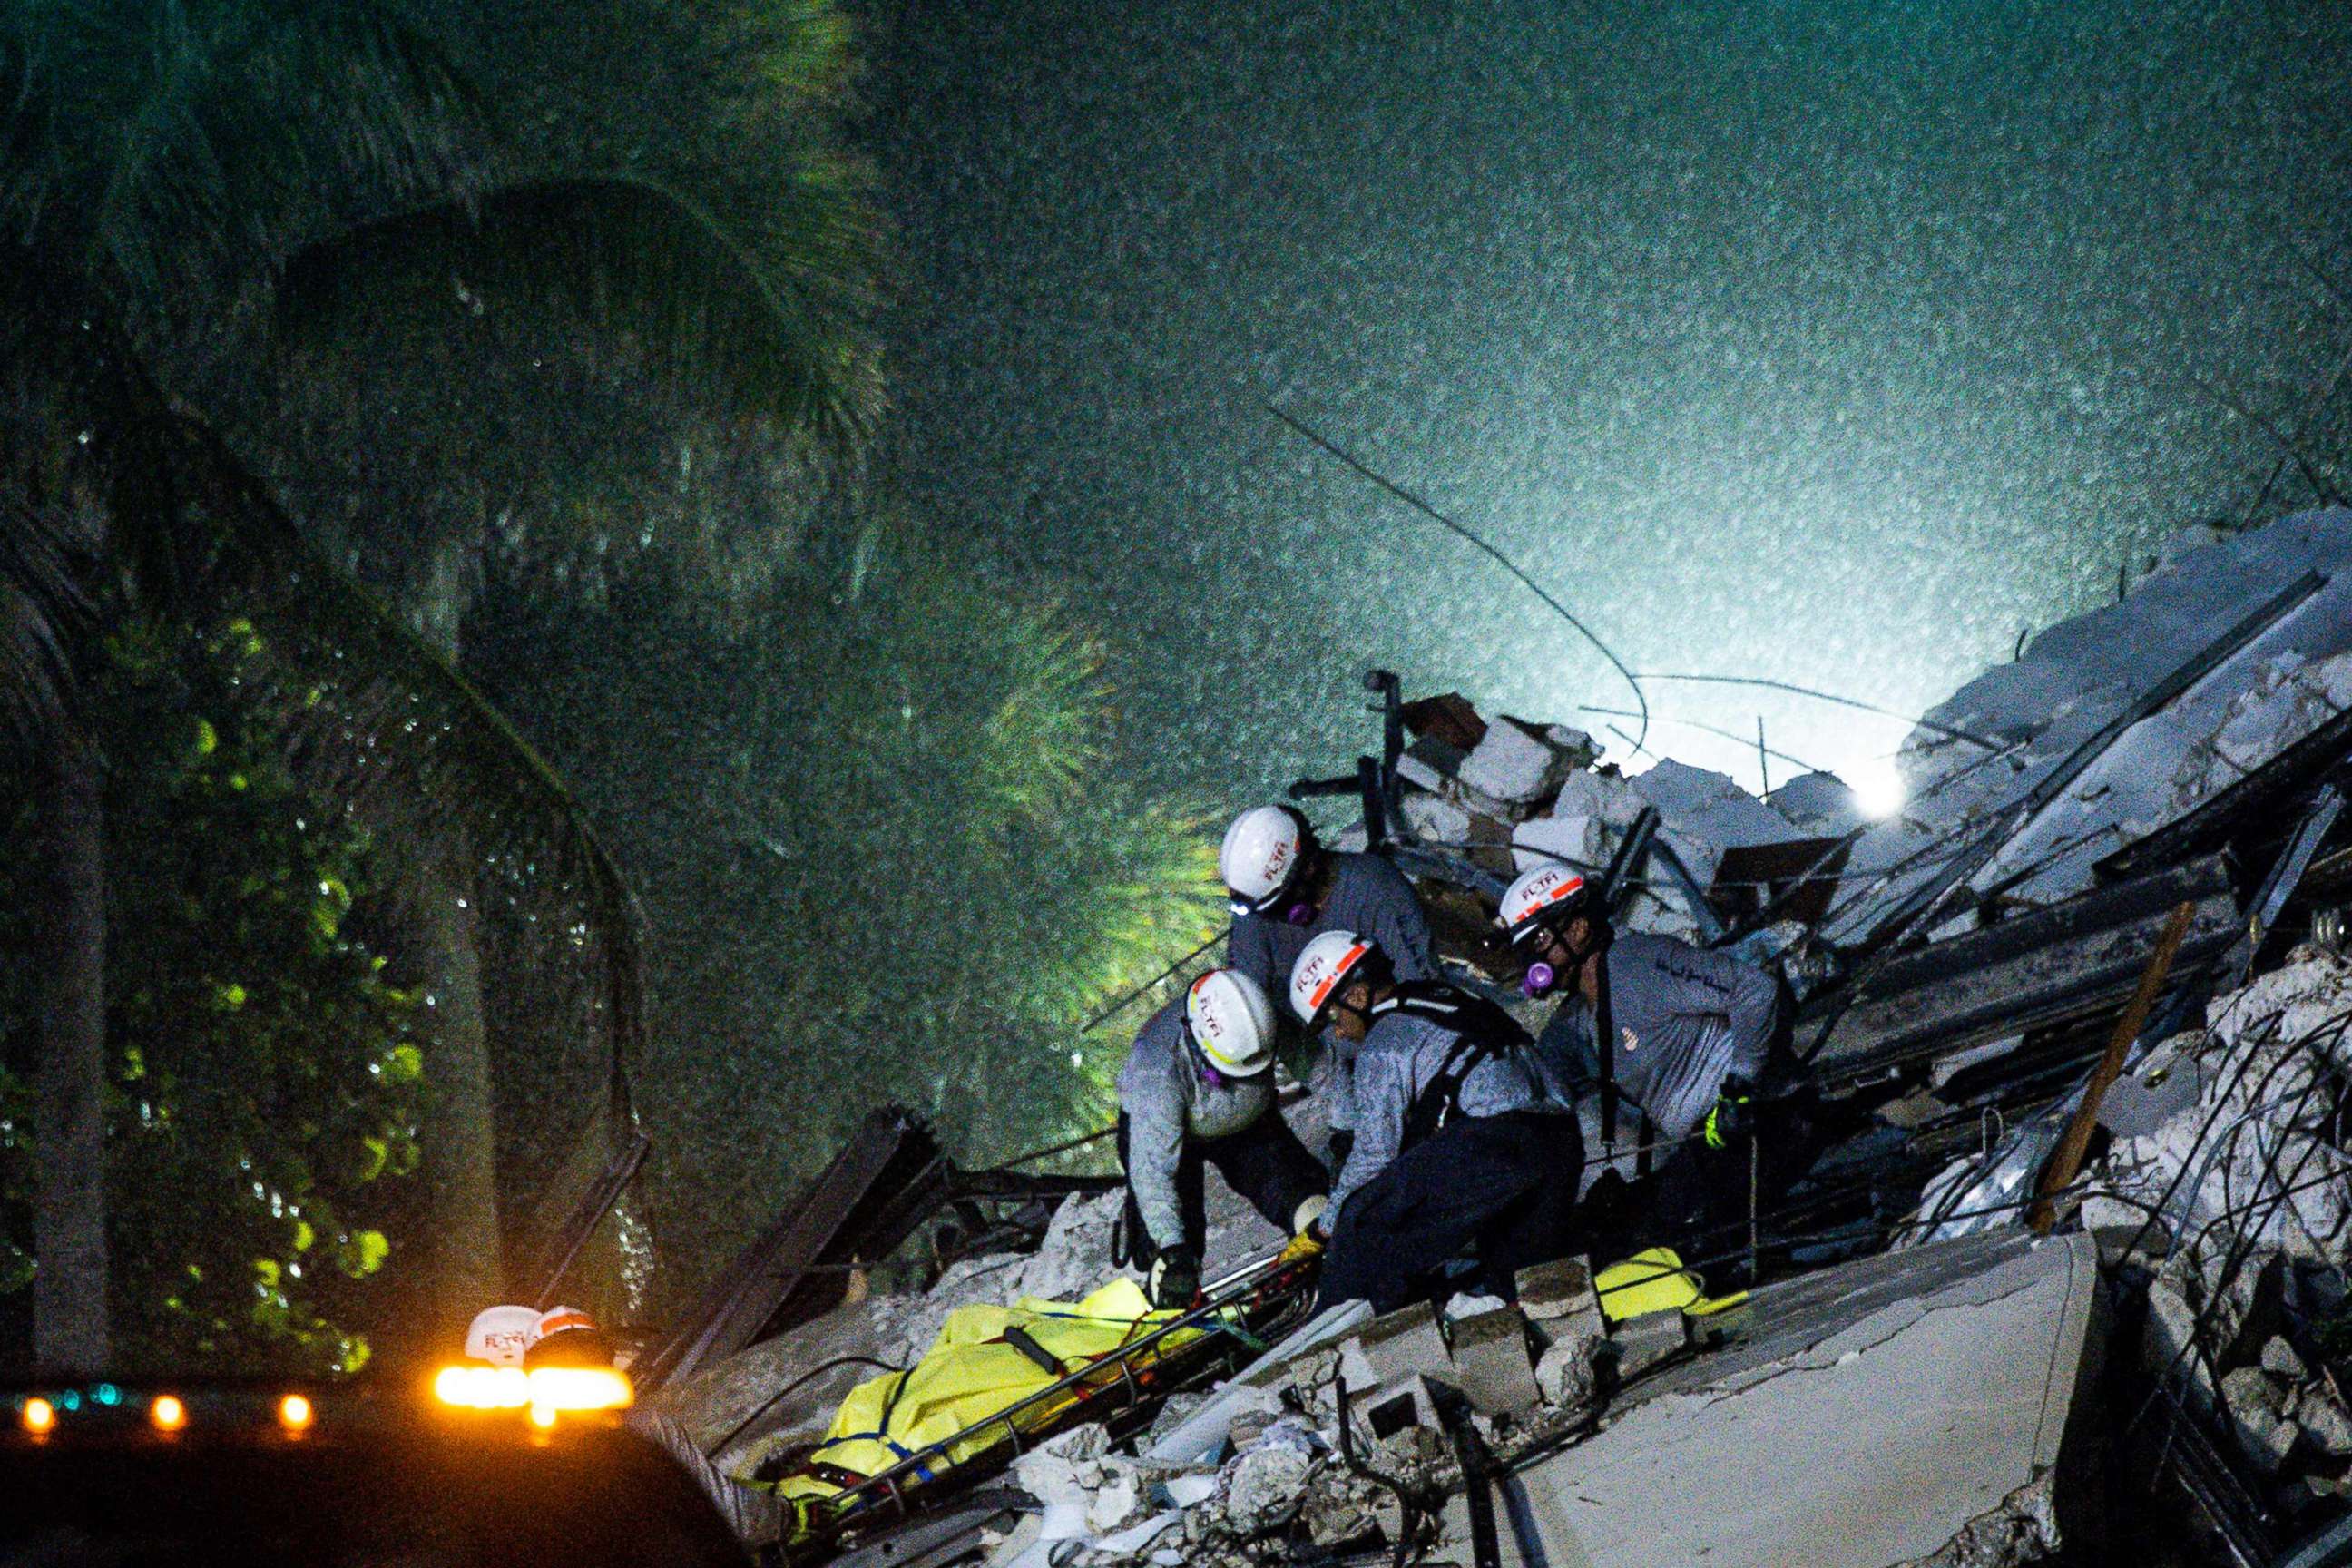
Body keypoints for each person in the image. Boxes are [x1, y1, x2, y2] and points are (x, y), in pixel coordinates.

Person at [1495, 862, 1816, 1269]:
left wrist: (1738, 1091)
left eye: (1538, 942)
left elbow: (1754, 989)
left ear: (1578, 929)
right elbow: (1545, 1084)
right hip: (1706, 1143)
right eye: (1526, 949)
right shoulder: (1579, 1018)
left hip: (1763, 1121)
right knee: (1618, 1229)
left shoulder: (1642, 963)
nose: (1532, 961)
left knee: (1667, 1248)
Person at [1289, 929, 1580, 1315]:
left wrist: (1325, 1227)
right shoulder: (1443, 998)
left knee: (1362, 1222)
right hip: (1562, 1144)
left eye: (1332, 1017)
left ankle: (1327, 1338)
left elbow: (1375, 1156)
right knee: (1514, 1293)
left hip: (1498, 1144)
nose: (1338, 1032)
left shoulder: (1385, 1040)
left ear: (1356, 996)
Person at [1219, 805, 1438, 1156]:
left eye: (1278, 906)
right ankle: (1342, 1100)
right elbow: (1245, 988)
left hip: (1383, 1031)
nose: (1270, 920)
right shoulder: (1259, 907)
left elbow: (1421, 988)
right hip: (1325, 1043)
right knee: (1253, 1006)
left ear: (1308, 868)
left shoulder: (1375, 890)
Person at [1117, 967, 1329, 1308]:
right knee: (1173, 1258)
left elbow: (1321, 1068)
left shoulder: (1258, 1018)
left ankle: (1327, 1271)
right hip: (1166, 1131)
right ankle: (1175, 1313)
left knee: (1307, 1200)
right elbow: (1153, 1172)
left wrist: (1350, 1130)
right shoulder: (1156, 1073)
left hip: (1249, 1123)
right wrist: (1171, 1247)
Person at [524, 1307, 786, 1546]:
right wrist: (792, 1516)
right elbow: (731, 1516)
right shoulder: (644, 1427)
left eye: (585, 1356)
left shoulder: (514, 1446)